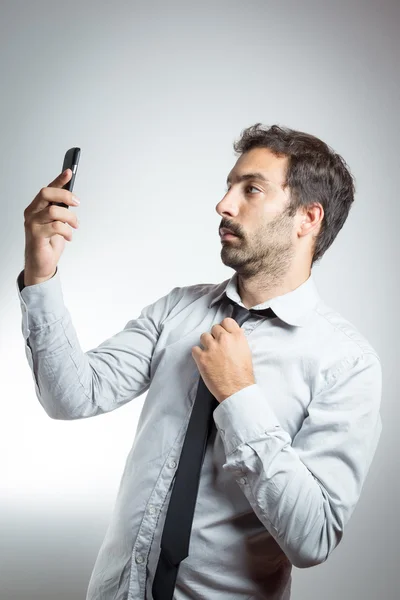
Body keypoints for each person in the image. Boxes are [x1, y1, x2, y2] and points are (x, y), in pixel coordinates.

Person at [17, 124, 382, 600]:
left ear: (307, 218)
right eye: (229, 186)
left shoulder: (346, 363)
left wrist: (239, 396)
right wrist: (41, 274)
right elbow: (72, 397)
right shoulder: (178, 310)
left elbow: (312, 539)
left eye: (251, 189)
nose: (224, 204)